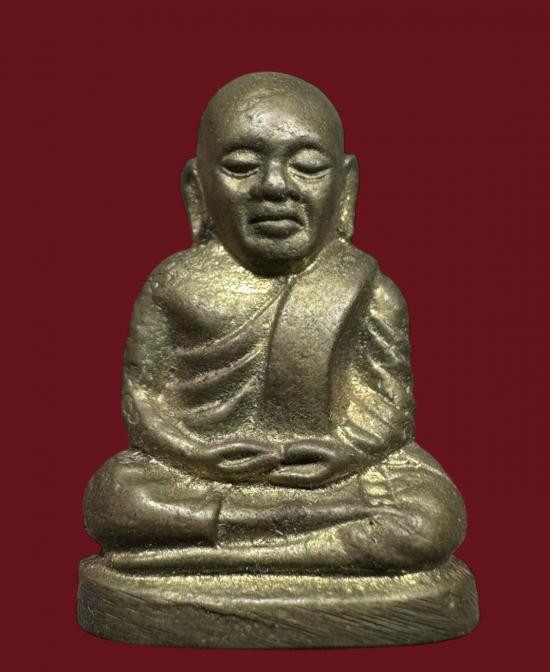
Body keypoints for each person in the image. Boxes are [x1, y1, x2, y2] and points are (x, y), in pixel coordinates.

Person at [84, 72, 465, 575]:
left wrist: (345, 453)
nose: (275, 186)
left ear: (346, 186)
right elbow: (145, 404)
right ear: (197, 188)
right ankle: (307, 546)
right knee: (115, 496)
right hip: (205, 475)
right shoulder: (171, 285)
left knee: (429, 517)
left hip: (336, 477)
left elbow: (390, 408)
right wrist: (198, 454)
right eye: (242, 167)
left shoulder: (368, 289)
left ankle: (216, 553)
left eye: (307, 167)